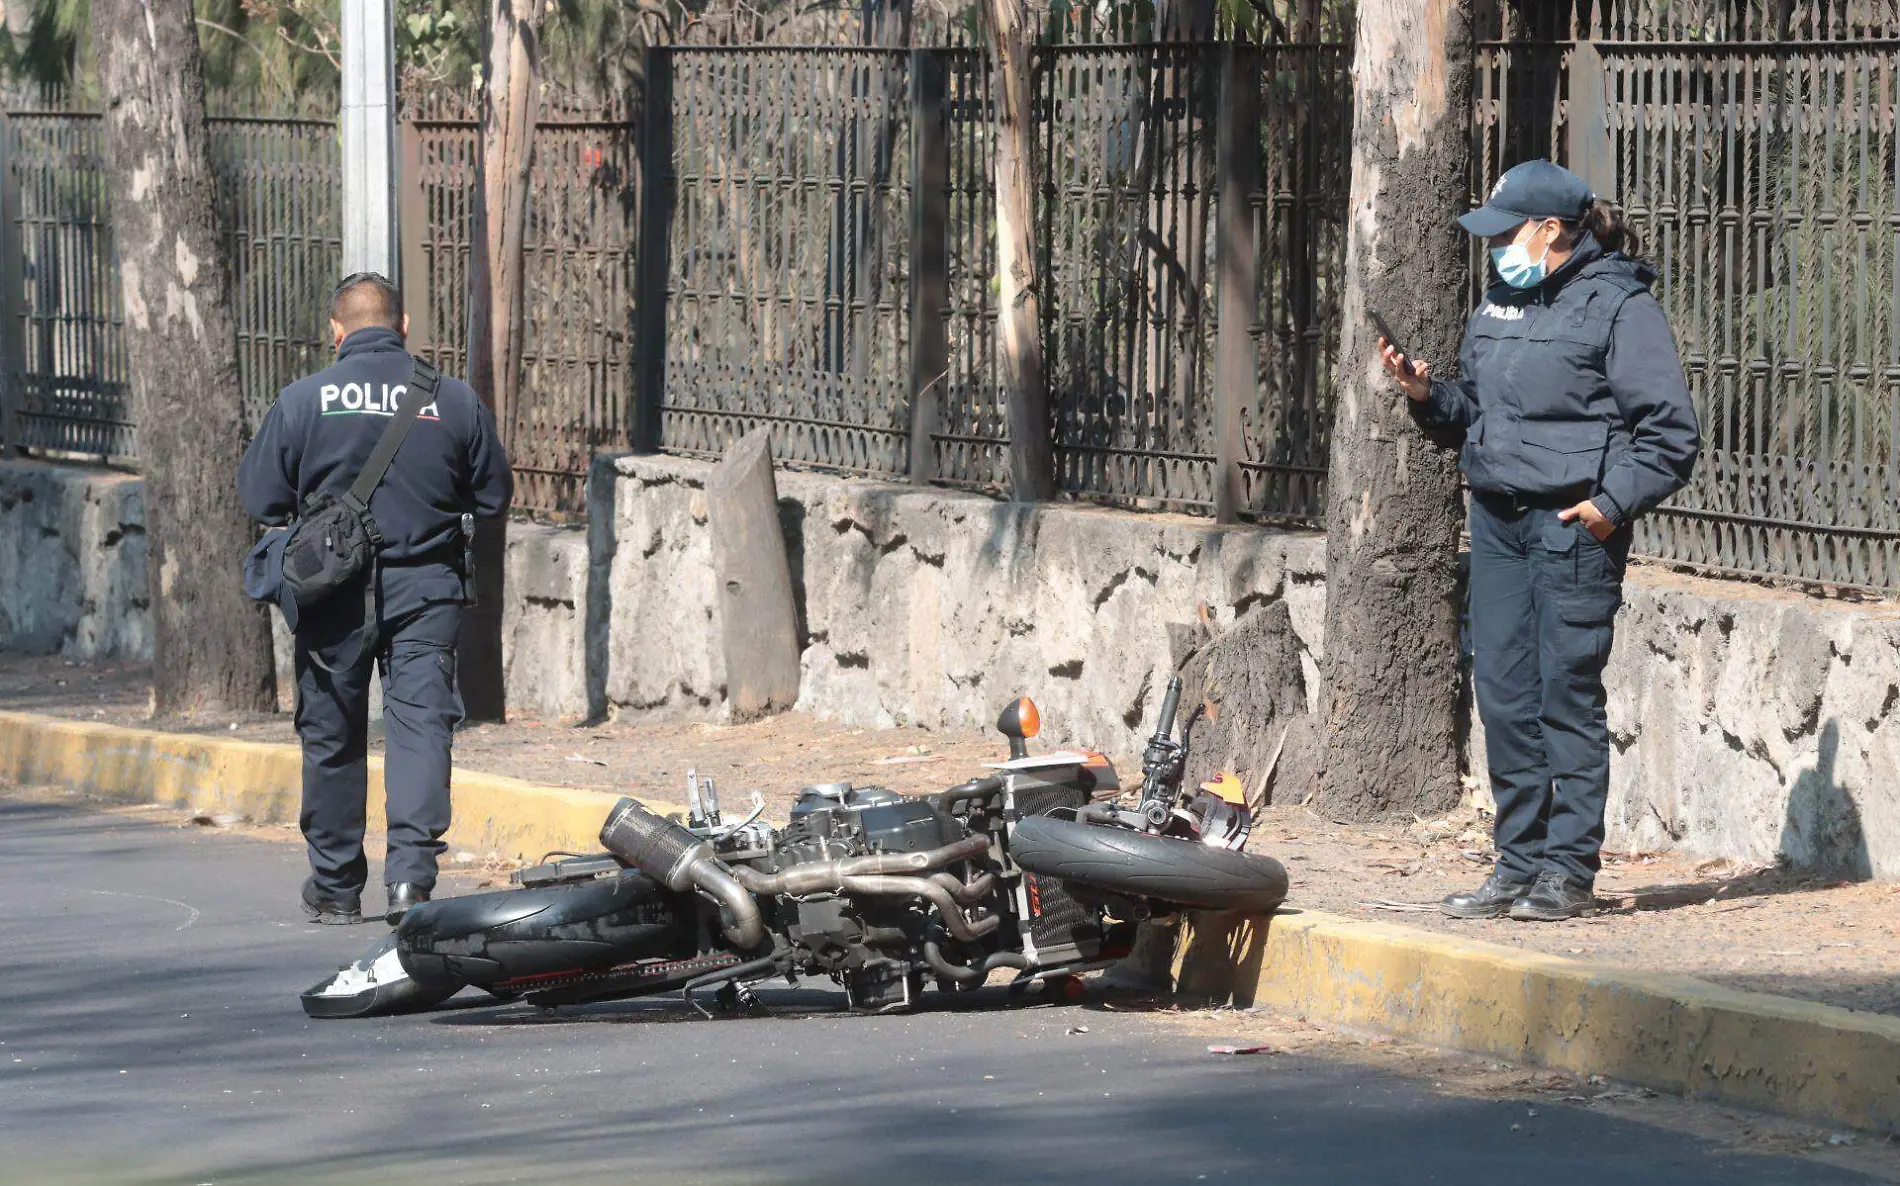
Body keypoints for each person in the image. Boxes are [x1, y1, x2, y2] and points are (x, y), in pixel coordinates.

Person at [1380, 160, 1699, 922]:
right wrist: (1429, 396)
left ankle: (1567, 875)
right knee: (1506, 698)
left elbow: (1671, 435)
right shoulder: (1503, 300)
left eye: (1505, 233)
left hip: (1571, 532)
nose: (1493, 249)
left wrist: (1608, 506)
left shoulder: (1621, 305)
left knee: (1566, 699)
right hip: (1496, 522)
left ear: (1550, 230)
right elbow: (1478, 414)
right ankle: (1515, 867)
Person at [240, 272, 513, 926]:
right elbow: (494, 496)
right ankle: (411, 883)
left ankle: (335, 887)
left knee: (331, 733)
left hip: (331, 595)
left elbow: (261, 499)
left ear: (335, 332)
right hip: (427, 592)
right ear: (404, 327)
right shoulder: (453, 401)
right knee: (420, 730)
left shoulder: (303, 400)